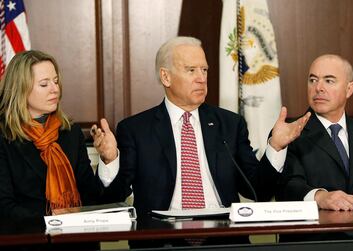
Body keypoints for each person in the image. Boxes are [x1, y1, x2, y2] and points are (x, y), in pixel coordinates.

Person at [115, 36, 310, 247]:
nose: (201, 78)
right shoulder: (136, 130)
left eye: (204, 70)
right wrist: (109, 160)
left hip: (224, 239)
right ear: (166, 77)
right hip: (163, 240)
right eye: (191, 70)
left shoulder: (229, 125)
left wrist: (275, 147)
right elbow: (116, 193)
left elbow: (256, 189)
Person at [0, 50, 126, 219]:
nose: (55, 89)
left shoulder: (70, 132)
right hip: (29, 241)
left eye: (56, 81)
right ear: (20, 89)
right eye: (44, 84)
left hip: (77, 241)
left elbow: (94, 200)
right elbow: (4, 208)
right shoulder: (3, 136)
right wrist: (56, 220)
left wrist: (108, 160)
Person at [276, 54, 353, 241]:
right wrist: (320, 197)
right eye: (313, 80)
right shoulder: (290, 131)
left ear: (349, 89)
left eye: (329, 80)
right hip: (312, 239)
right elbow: (287, 185)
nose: (318, 88)